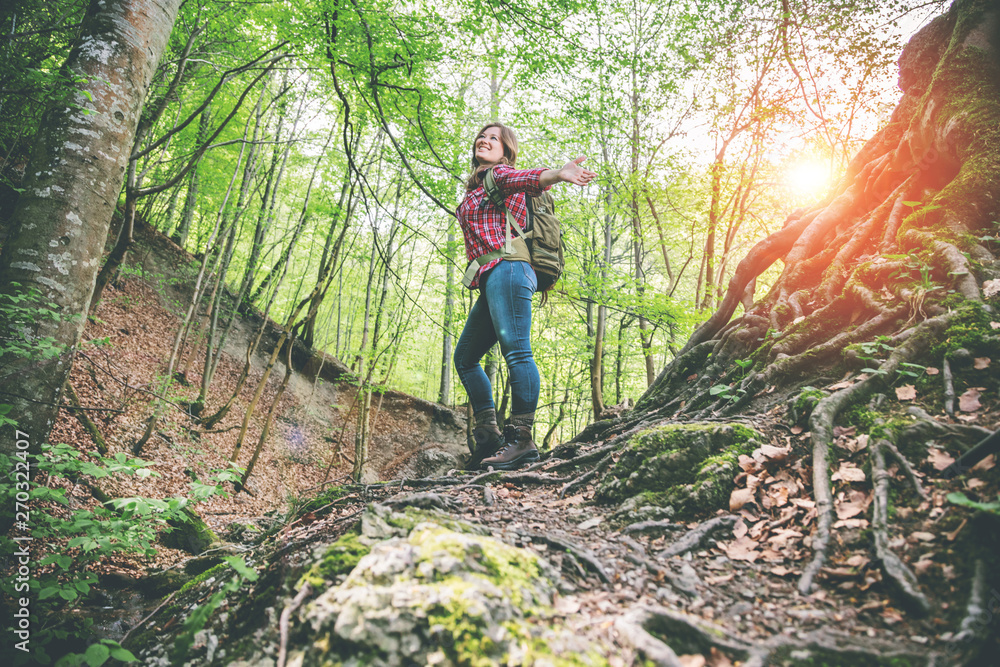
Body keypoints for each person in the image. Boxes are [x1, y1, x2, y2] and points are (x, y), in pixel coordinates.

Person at [454, 122, 595, 470]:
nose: (484, 141)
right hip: (492, 277)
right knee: (466, 358)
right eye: (481, 136)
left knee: (517, 352)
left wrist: (559, 174)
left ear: (507, 151)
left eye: (494, 139)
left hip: (510, 268)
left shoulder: (501, 176)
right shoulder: (476, 189)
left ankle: (522, 439)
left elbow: (528, 179)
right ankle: (489, 438)